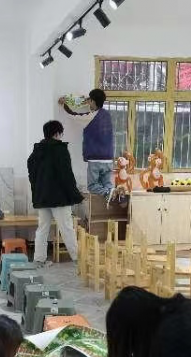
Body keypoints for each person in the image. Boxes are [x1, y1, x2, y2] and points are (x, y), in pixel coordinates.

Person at [27, 120, 83, 267]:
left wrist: (37, 192)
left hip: (42, 197)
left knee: (42, 228)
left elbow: (32, 175)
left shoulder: (36, 151)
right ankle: (78, 260)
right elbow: (67, 175)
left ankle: (39, 260)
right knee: (67, 228)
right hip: (59, 197)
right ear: (57, 133)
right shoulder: (60, 149)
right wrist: (75, 194)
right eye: (61, 133)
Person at [59, 89, 115, 198]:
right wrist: (86, 101)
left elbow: (74, 115)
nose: (88, 103)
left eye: (90, 100)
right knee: (107, 185)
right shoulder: (107, 114)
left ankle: (109, 194)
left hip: (96, 158)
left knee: (92, 186)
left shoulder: (91, 116)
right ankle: (115, 196)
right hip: (108, 158)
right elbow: (92, 112)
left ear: (93, 101)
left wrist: (64, 104)